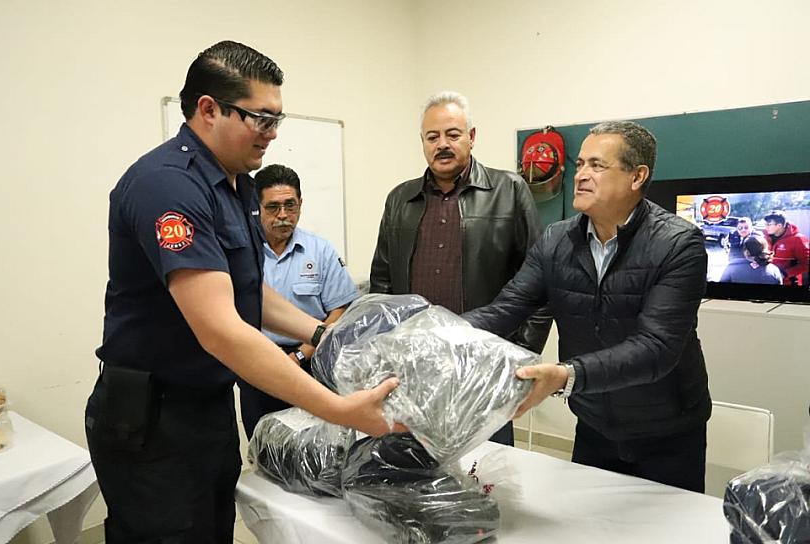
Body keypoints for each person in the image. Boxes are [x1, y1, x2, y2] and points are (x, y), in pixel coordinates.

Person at [85, 41, 398, 543]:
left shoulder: (238, 187)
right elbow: (222, 330)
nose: (273, 133)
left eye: (278, 119)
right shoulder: (168, 187)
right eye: (262, 119)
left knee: (213, 529)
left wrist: (324, 334)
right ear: (209, 109)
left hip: (206, 406)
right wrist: (338, 409)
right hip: (152, 418)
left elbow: (247, 293)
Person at [465, 121, 712, 493]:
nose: (581, 175)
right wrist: (436, 333)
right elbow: (508, 308)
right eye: (580, 164)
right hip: (595, 425)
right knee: (585, 521)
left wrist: (566, 375)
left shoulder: (678, 244)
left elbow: (656, 348)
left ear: (637, 176)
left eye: (597, 165)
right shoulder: (556, 240)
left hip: (668, 431)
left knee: (671, 523)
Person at [369, 91, 551, 446]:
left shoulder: (509, 190)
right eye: (432, 137)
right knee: (416, 463)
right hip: (415, 369)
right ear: (422, 141)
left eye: (452, 134)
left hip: (485, 368)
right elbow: (382, 283)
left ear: (472, 136)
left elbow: (539, 282)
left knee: (489, 467)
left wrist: (517, 358)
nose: (442, 144)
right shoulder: (400, 199)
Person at [239, 164, 359, 439]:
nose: (283, 215)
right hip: (257, 365)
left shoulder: (320, 250)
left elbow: (340, 310)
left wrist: (301, 354)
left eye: (290, 205)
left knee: (314, 445)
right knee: (263, 444)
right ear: (257, 208)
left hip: (311, 365)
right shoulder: (242, 253)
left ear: (300, 204)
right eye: (273, 207)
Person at [763, 210, 810, 286]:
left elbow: (806, 264)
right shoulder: (765, 237)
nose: (766, 227)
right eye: (765, 224)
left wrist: (784, 274)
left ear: (779, 225)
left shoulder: (798, 239)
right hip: (769, 280)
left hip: (789, 283)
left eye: (769, 224)